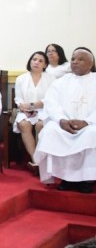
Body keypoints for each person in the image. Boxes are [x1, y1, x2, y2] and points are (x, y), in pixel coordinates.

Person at [34, 47, 96, 193]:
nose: (75, 62)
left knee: (92, 133)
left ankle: (87, 179)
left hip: (90, 124)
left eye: (80, 59)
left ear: (90, 64)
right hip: (64, 124)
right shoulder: (61, 82)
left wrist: (87, 122)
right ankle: (65, 178)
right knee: (50, 131)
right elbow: (51, 103)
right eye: (73, 59)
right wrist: (61, 120)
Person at [13, 51, 54, 169]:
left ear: (45, 65)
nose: (36, 62)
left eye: (40, 61)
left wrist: (32, 105)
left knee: (41, 125)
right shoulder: (21, 78)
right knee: (24, 124)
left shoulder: (51, 79)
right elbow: (18, 98)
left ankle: (42, 159)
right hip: (25, 111)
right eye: (34, 59)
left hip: (44, 110)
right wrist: (23, 106)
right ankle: (35, 160)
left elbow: (50, 99)